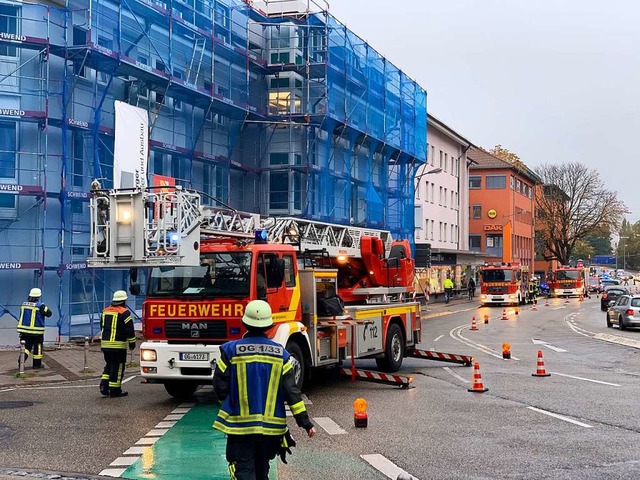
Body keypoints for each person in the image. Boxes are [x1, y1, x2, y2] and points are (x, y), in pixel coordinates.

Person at [213, 300, 316, 480]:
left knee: (243, 471)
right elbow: (292, 392)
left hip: (240, 428)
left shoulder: (230, 351)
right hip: (271, 431)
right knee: (262, 471)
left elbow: (220, 386)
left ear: (244, 322)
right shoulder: (281, 355)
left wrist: (229, 405)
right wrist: (305, 423)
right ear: (269, 326)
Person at [100, 290, 136, 398]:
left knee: (109, 365)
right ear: (123, 301)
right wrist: (132, 342)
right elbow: (129, 329)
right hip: (118, 346)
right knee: (118, 367)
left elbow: (102, 327)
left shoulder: (105, 311)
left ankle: (104, 386)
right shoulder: (124, 313)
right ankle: (115, 390)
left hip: (105, 345)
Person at [17, 288, 52, 369]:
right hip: (37, 332)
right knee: (38, 348)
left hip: (24, 331)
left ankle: (21, 360)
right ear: (38, 296)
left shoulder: (24, 304)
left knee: (26, 348)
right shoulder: (41, 306)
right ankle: (37, 365)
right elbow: (49, 314)